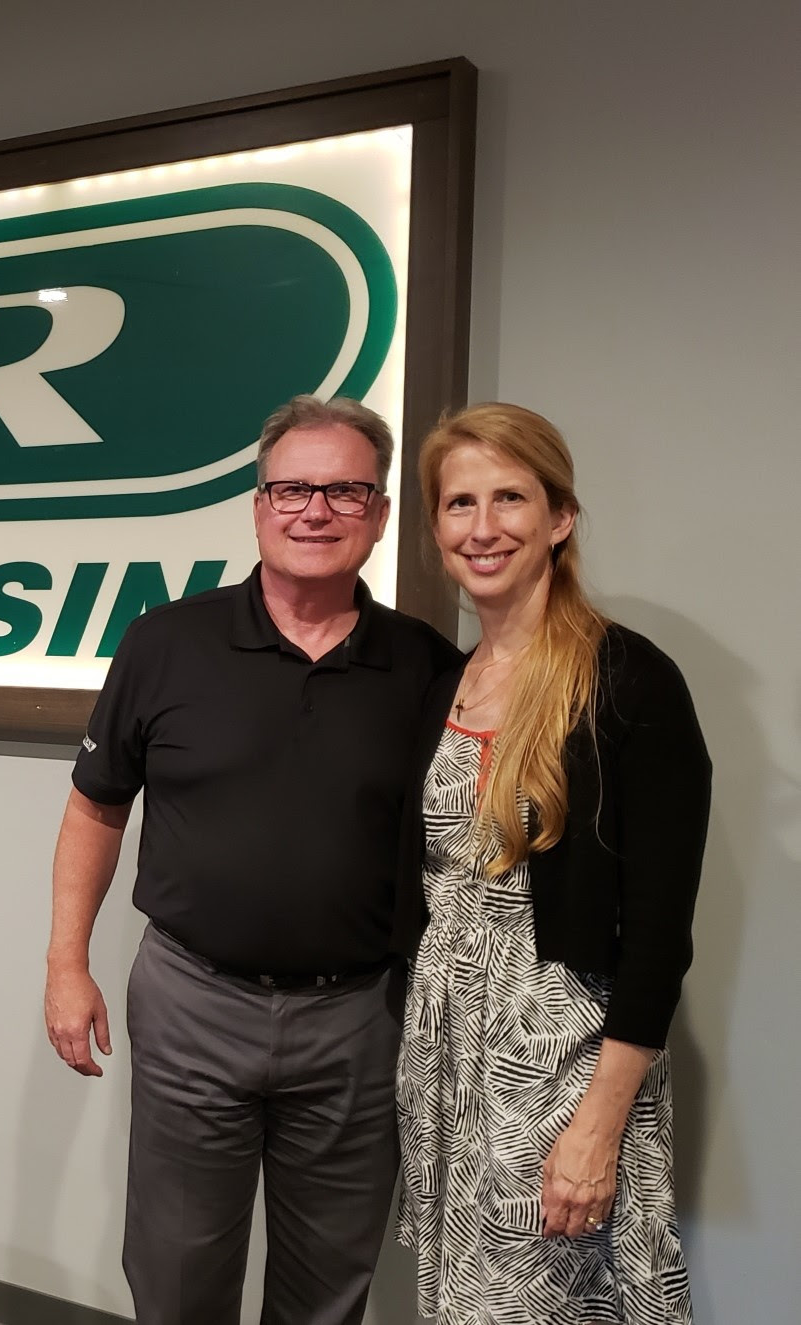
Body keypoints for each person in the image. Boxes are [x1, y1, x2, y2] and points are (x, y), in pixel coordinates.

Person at [46, 394, 461, 1325]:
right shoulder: (165, 642)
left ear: (381, 513)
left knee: (328, 1283)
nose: (314, 510)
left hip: (358, 1017)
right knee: (178, 1268)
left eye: (345, 491)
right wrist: (65, 964)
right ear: (258, 503)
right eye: (292, 489)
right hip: (195, 1002)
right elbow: (93, 807)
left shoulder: (427, 666)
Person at [393, 403, 710, 1324]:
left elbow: (657, 935)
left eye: (508, 499)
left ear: (559, 517)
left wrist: (597, 1125)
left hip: (560, 1065)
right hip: (448, 1055)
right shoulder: (445, 679)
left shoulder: (628, 681)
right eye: (458, 504)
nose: (481, 527)